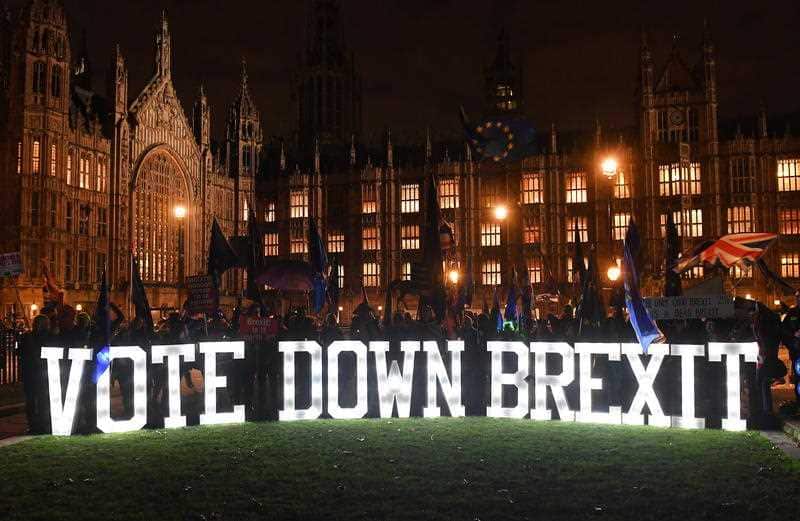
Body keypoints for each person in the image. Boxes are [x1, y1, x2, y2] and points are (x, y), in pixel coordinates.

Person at [20, 315, 51, 434]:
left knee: (40, 400)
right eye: (46, 324)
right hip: (33, 373)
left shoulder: (45, 337)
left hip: (39, 373)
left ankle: (40, 423)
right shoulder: (27, 337)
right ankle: (34, 424)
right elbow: (22, 353)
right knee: (33, 400)